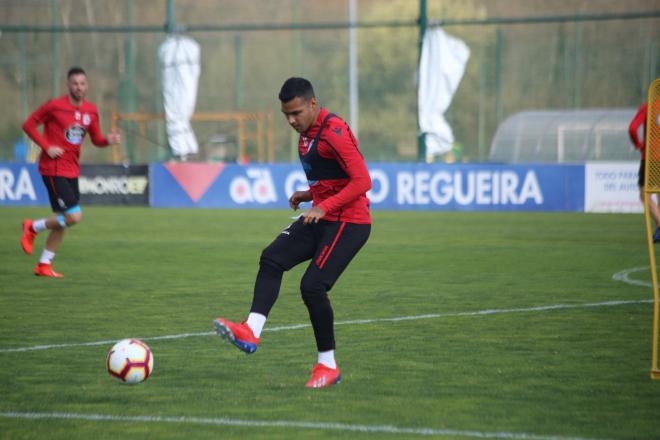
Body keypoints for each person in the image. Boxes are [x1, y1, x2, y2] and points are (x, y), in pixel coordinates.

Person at [214, 77, 372, 388]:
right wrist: (309, 195)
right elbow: (332, 179)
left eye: (296, 112)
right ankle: (251, 331)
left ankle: (328, 366)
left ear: (313, 104)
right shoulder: (306, 134)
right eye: (286, 114)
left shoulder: (333, 133)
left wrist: (323, 207)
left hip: (349, 222)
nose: (291, 120)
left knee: (312, 286)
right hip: (324, 214)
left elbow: (363, 181)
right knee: (272, 258)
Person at [20, 67, 121, 277]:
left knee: (62, 220)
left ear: (87, 86)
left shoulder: (91, 111)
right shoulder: (54, 106)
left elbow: (96, 140)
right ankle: (32, 227)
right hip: (53, 168)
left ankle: (44, 265)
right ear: (68, 85)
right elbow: (28, 125)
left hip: (72, 170)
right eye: (75, 83)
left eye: (82, 83)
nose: (79, 87)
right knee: (74, 216)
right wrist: (46, 146)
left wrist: (108, 141)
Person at [629, 101, 660, 242]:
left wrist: (638, 144)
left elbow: (633, 128)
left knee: (644, 195)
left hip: (652, 156)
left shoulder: (650, 105)